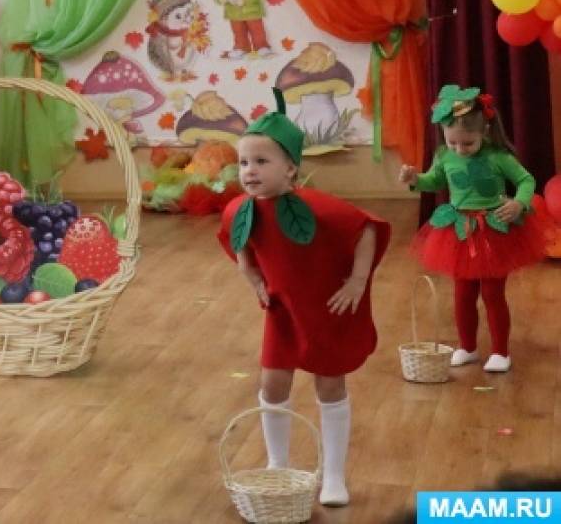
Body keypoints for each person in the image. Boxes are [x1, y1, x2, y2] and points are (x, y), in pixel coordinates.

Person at [219, 89, 389, 508]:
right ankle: (278, 465)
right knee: (272, 383)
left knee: (329, 385)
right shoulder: (242, 209)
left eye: (262, 162)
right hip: (282, 311)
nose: (250, 171)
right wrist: (249, 271)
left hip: (325, 309)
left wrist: (358, 281)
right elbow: (238, 237)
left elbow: (366, 227)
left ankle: (333, 475)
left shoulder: (317, 208)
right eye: (244, 162)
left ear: (290, 168)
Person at [399, 85, 553, 373]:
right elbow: (435, 181)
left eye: (468, 143)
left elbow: (526, 180)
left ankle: (500, 352)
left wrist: (519, 203)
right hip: (460, 231)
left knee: (493, 293)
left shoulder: (498, 157)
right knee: (462, 293)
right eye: (453, 142)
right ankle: (467, 347)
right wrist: (415, 179)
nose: (460, 149)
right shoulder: (444, 155)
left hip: (494, 231)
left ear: (485, 132)